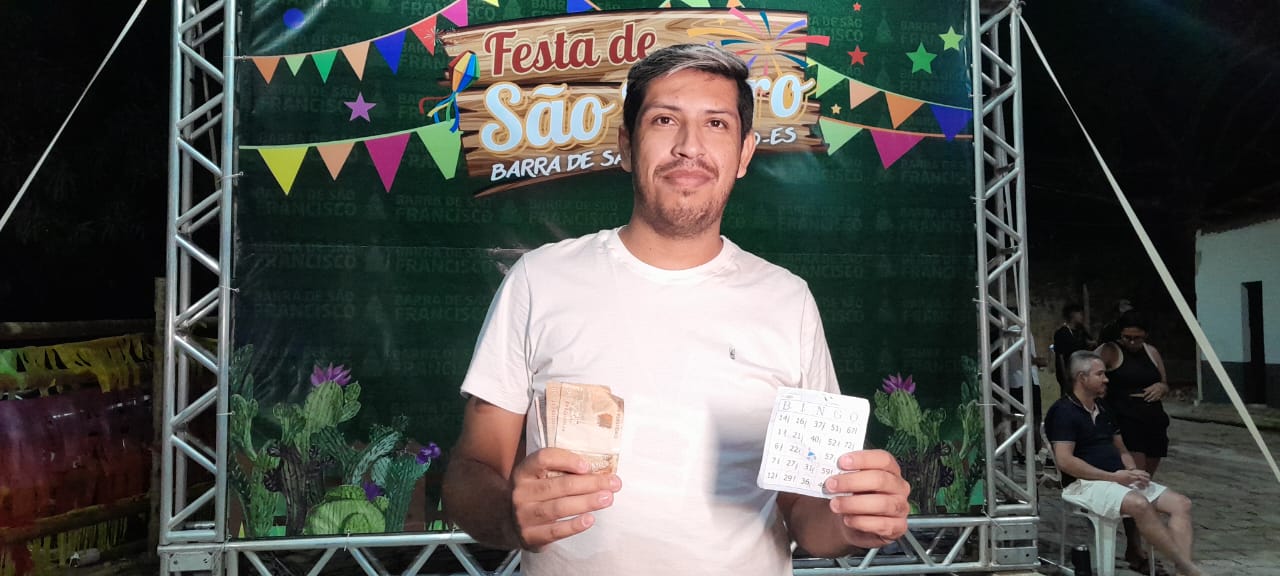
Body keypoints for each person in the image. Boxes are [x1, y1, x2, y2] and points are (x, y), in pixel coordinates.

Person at [440, 44, 910, 576]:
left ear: (745, 154)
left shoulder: (788, 300)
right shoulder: (540, 279)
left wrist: (852, 523)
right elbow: (472, 467)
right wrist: (508, 514)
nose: (689, 147)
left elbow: (805, 513)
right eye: (665, 120)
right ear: (626, 145)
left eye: (716, 123)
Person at [1046, 351, 1204, 576]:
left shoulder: (1103, 408)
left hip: (1117, 477)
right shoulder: (1064, 411)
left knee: (1181, 503)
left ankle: (1182, 570)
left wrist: (1132, 471)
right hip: (1086, 483)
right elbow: (1065, 461)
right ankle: (1188, 568)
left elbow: (1121, 449)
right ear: (1082, 378)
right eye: (1100, 374)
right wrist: (1112, 477)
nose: (1106, 379)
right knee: (1139, 505)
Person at [1096, 311, 1172, 571]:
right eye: (1127, 337)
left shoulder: (1151, 351)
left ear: (1145, 335)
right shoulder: (1110, 351)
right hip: (1127, 421)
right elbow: (1090, 374)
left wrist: (1162, 387)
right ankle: (1135, 547)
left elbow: (1163, 381)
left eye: (1136, 338)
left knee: (1147, 485)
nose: (1131, 342)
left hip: (1153, 422)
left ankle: (1138, 547)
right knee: (1136, 484)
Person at [1052, 303, 1094, 391]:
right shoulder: (1062, 333)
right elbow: (1060, 357)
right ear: (1072, 314)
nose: (1082, 316)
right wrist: (1065, 378)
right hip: (1069, 374)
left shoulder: (1082, 332)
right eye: (1080, 314)